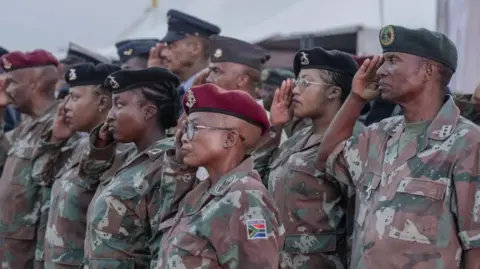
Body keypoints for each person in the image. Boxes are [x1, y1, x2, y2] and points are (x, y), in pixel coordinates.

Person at [316, 25, 480, 268]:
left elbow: (475, 246)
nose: (380, 71)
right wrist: (356, 98)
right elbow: (328, 158)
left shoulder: (467, 142)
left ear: (428, 70)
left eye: (392, 61)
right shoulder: (381, 133)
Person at [257, 48, 364, 268]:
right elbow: (257, 185)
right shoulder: (297, 139)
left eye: (306, 82)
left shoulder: (354, 143)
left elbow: (360, 223)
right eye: (296, 81)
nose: (295, 90)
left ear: (333, 92)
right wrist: (275, 128)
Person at [158, 83, 284, 268]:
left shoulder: (246, 197)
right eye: (185, 129)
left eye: (194, 128)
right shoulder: (203, 192)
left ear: (230, 139)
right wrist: (179, 167)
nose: (184, 137)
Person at [82, 67, 196, 268]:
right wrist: (101, 146)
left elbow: (164, 245)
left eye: (119, 104)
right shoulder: (128, 155)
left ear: (149, 112)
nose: (110, 116)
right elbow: (87, 181)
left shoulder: (169, 163)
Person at [29, 63, 122, 269]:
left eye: (75, 97)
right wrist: (55, 138)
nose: (66, 106)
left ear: (103, 102)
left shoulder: (119, 151)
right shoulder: (81, 145)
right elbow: (40, 177)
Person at [0, 50, 62, 269]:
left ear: (34, 84)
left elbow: (50, 205)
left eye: (13, 82)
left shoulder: (59, 128)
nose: (7, 89)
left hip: (28, 257)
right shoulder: (27, 126)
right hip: (11, 252)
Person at [160, 9, 221, 115]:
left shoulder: (212, 91)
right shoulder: (177, 92)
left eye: (172, 46)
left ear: (195, 48)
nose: (163, 54)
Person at [258, 68, 310, 137]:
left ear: (287, 92)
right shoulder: (254, 110)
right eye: (264, 88)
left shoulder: (299, 118)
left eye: (270, 90)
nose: (262, 94)